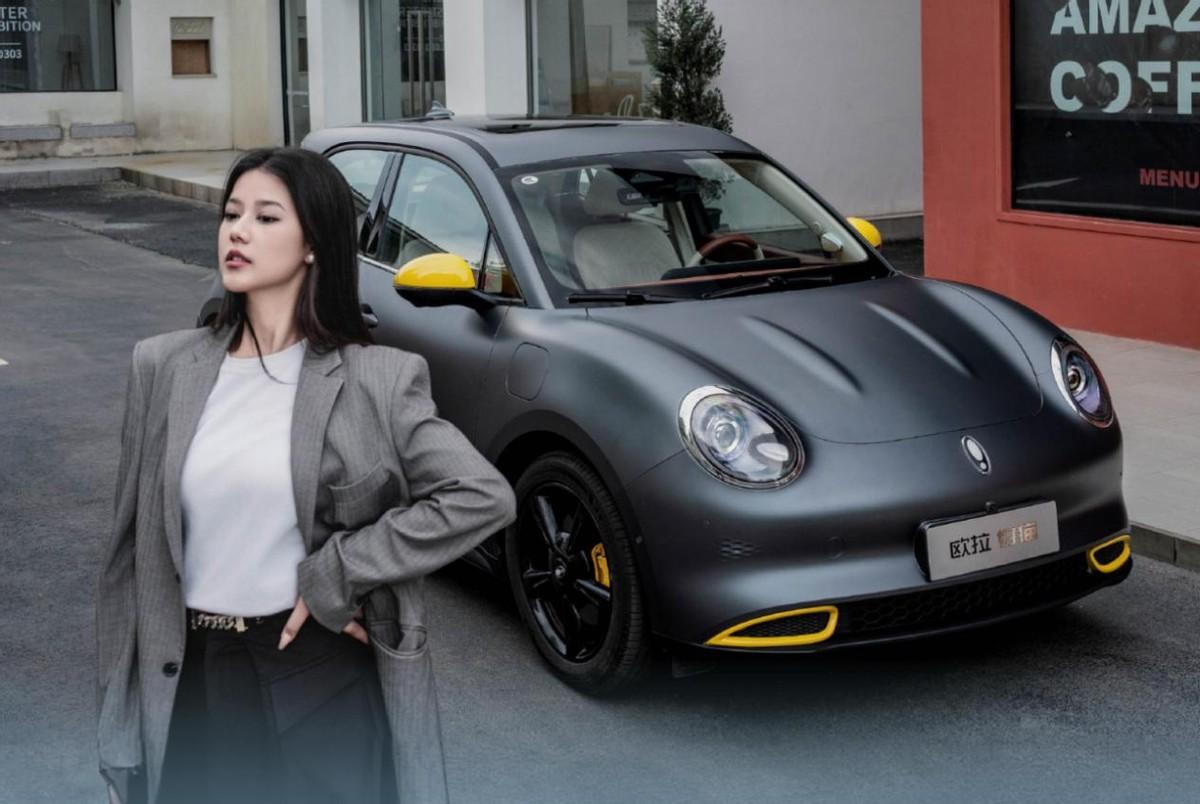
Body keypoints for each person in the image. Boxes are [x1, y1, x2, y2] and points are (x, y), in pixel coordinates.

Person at [95, 147, 517, 804]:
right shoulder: (163, 367)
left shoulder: (377, 380)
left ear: (313, 244)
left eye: (266, 217)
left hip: (317, 673)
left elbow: (481, 496)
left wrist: (339, 570)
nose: (238, 232)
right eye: (232, 214)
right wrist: (119, 735)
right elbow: (130, 560)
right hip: (192, 679)